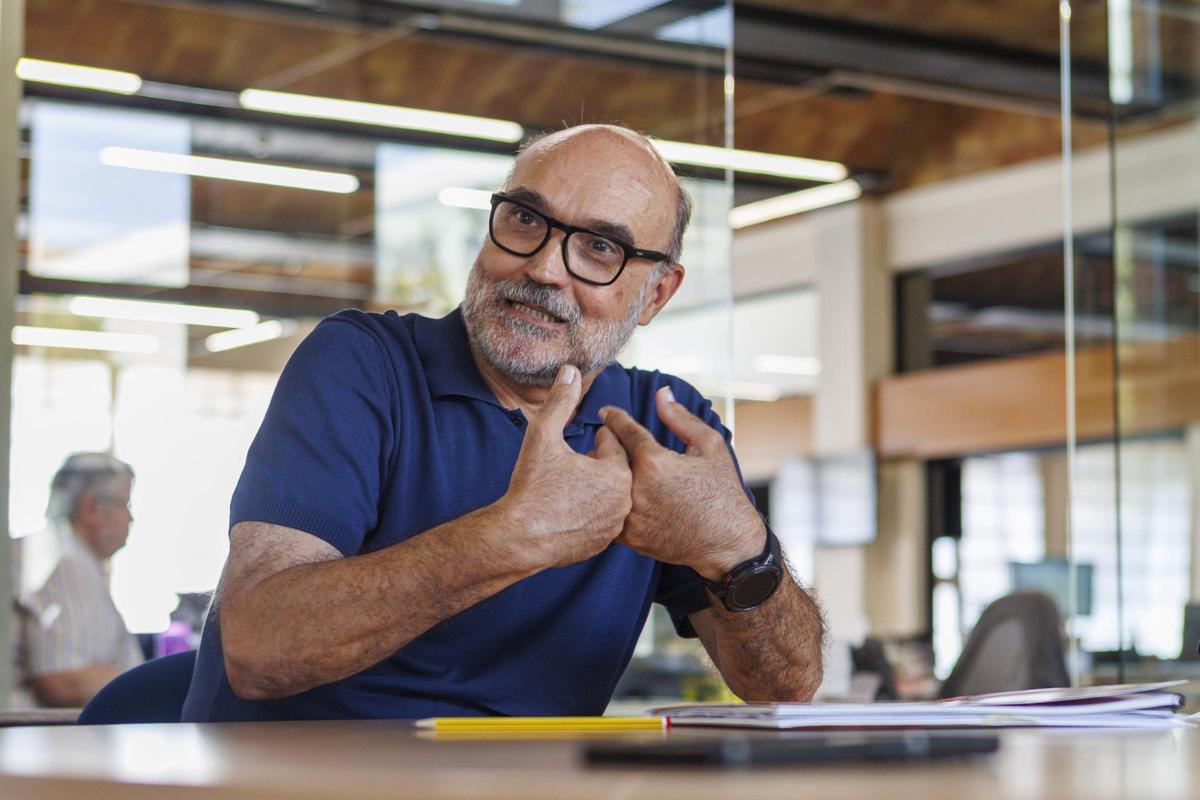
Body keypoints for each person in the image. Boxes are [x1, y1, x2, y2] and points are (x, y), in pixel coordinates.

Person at [182, 124, 824, 722]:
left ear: (656, 293)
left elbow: (785, 688)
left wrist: (740, 549)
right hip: (306, 783)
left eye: (600, 248)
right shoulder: (363, 363)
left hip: (534, 785)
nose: (543, 268)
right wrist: (513, 535)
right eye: (525, 219)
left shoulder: (663, 426)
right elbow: (260, 646)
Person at [10, 453, 143, 708]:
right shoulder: (64, 563)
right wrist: (150, 691)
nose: (131, 519)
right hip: (53, 731)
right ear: (91, 509)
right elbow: (63, 679)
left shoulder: (63, 556)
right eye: (125, 504)